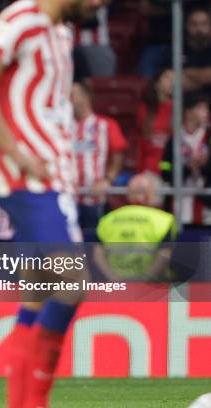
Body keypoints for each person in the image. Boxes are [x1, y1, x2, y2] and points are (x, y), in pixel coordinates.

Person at [0, 1, 103, 407]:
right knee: (74, 281)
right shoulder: (23, 18)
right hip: (31, 180)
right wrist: (14, 152)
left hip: (55, 179)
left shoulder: (61, 32)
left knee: (37, 294)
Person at [94, 173, 175, 282]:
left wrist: (115, 280)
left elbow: (97, 255)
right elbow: (164, 255)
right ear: (150, 193)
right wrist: (144, 280)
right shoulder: (163, 220)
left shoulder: (107, 219)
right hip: (153, 290)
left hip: (116, 290)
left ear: (128, 194)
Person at [71, 81, 127, 229]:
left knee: (92, 243)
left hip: (95, 198)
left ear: (86, 97)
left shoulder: (105, 124)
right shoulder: (63, 126)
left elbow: (119, 154)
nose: (69, 99)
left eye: (73, 95)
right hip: (68, 197)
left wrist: (107, 180)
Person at [160, 92, 210, 225]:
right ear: (188, 112)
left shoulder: (209, 137)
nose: (206, 112)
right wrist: (188, 167)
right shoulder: (174, 139)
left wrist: (204, 166)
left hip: (206, 202)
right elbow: (165, 169)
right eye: (200, 108)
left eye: (206, 108)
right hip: (179, 201)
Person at [136, 68, 174, 174]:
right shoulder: (144, 110)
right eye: (167, 78)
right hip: (148, 167)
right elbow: (142, 142)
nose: (172, 82)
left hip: (168, 166)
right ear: (157, 83)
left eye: (174, 79)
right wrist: (140, 170)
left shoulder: (178, 110)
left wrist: (167, 171)